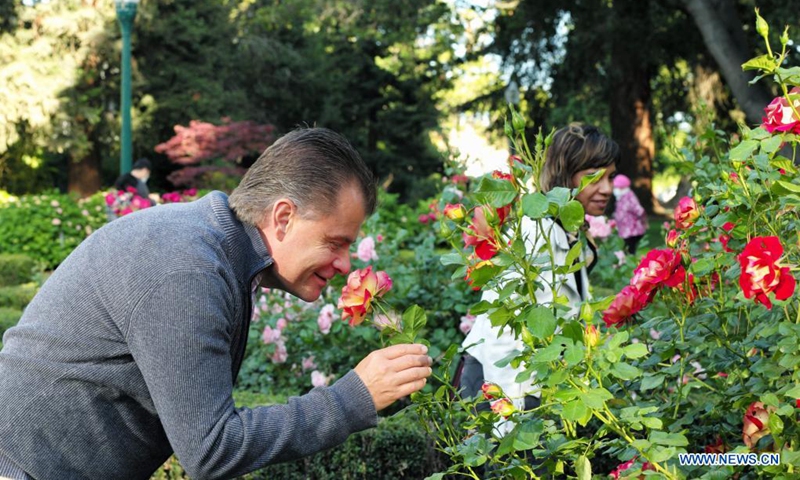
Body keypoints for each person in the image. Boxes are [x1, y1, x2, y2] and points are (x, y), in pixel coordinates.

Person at [0, 128, 432, 479]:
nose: (344, 264)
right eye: (335, 242)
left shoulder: (214, 247)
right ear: (283, 217)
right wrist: (352, 398)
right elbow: (211, 449)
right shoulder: (188, 267)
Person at [459, 123, 619, 423]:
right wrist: (508, 424)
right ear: (564, 177)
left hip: (531, 384)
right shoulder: (534, 235)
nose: (607, 188)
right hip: (497, 386)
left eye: (610, 176)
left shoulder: (569, 232)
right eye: (593, 177)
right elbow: (502, 338)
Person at [612, 174, 648, 254]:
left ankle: (632, 264)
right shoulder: (621, 197)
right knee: (625, 250)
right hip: (625, 231)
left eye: (617, 187)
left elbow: (639, 210)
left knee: (630, 250)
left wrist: (643, 221)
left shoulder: (629, 196)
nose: (615, 189)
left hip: (632, 231)